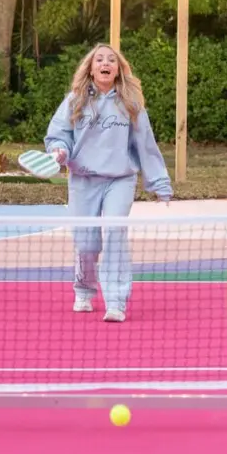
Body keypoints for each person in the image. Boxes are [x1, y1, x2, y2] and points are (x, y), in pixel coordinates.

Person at [44, 43, 173, 322]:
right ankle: (84, 289)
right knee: (86, 244)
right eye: (99, 59)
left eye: (111, 60)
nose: (105, 63)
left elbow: (145, 144)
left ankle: (116, 301)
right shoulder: (75, 100)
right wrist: (59, 150)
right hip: (83, 180)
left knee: (115, 233)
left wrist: (159, 182)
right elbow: (59, 135)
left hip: (120, 179)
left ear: (118, 69)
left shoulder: (130, 103)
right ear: (91, 69)